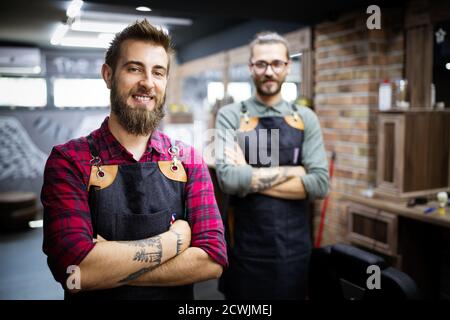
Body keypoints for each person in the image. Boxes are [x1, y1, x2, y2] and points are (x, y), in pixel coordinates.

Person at [41, 20, 227, 300]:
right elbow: (75, 272)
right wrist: (175, 240)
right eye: (134, 68)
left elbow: (212, 260)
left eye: (158, 72)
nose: (147, 83)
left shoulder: (188, 161)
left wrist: (107, 267)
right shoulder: (69, 161)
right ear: (108, 75)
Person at [215, 31, 329, 299]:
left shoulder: (305, 118)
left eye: (277, 63)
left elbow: (320, 184)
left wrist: (249, 177)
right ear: (251, 67)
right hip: (244, 245)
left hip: (293, 248)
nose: (269, 71)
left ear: (288, 66)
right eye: (261, 64)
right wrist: (294, 172)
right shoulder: (230, 116)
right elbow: (229, 181)